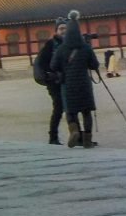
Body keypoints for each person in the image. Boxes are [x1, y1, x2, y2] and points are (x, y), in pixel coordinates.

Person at [51, 10, 99, 148]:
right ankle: (87, 140)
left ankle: (74, 131)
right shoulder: (85, 47)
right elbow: (94, 65)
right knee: (86, 112)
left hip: (68, 84)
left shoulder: (61, 49)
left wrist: (63, 68)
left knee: (71, 112)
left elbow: (53, 66)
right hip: (84, 84)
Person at [35, 18, 67, 144]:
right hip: (53, 82)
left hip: (67, 80)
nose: (64, 30)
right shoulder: (50, 44)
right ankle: (53, 137)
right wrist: (51, 74)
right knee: (59, 107)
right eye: (61, 28)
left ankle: (79, 136)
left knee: (71, 107)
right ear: (56, 31)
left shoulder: (71, 44)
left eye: (66, 28)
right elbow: (42, 62)